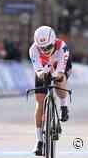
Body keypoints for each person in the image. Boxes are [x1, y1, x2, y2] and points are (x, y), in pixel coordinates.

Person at [29, 26, 72, 156]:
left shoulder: (61, 46)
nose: (45, 50)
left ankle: (64, 105)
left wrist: (56, 75)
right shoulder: (33, 49)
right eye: (42, 48)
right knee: (39, 103)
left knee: (60, 80)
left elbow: (59, 72)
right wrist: (43, 74)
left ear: (53, 42)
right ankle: (39, 140)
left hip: (60, 64)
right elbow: (38, 71)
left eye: (48, 47)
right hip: (43, 67)